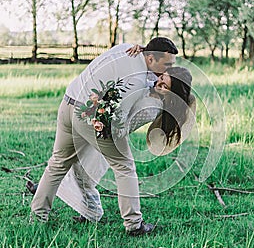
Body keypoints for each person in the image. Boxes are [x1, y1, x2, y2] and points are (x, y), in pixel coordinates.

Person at [30, 37, 177, 236]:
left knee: (58, 163)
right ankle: (134, 224)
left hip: (68, 104)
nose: (168, 68)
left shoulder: (127, 49)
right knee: (124, 166)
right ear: (150, 58)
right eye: (166, 64)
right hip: (88, 115)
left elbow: (142, 73)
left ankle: (38, 217)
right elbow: (118, 121)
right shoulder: (136, 81)